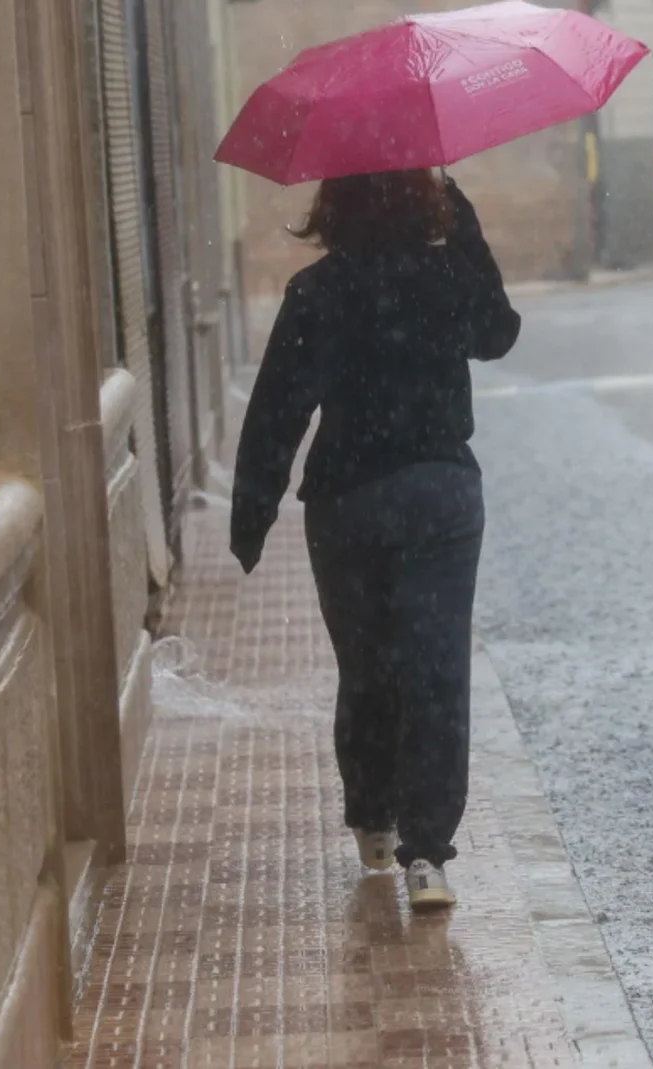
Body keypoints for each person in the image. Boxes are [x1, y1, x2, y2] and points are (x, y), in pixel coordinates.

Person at [230, 169, 520, 910]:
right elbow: (498, 332)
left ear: (334, 206)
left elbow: (278, 409)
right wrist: (466, 226)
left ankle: (373, 817)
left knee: (368, 666)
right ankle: (429, 854)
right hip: (439, 493)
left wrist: (252, 511)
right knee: (436, 668)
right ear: (420, 199)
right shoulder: (445, 274)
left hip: (348, 502)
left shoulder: (317, 292)